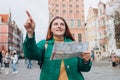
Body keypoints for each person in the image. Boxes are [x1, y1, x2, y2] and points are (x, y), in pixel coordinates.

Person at [23, 11, 92, 80]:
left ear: (65, 28)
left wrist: (86, 60)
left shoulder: (73, 45)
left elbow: (85, 68)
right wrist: (30, 33)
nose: (59, 26)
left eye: (62, 24)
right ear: (51, 29)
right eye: (55, 24)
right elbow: (30, 54)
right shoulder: (45, 44)